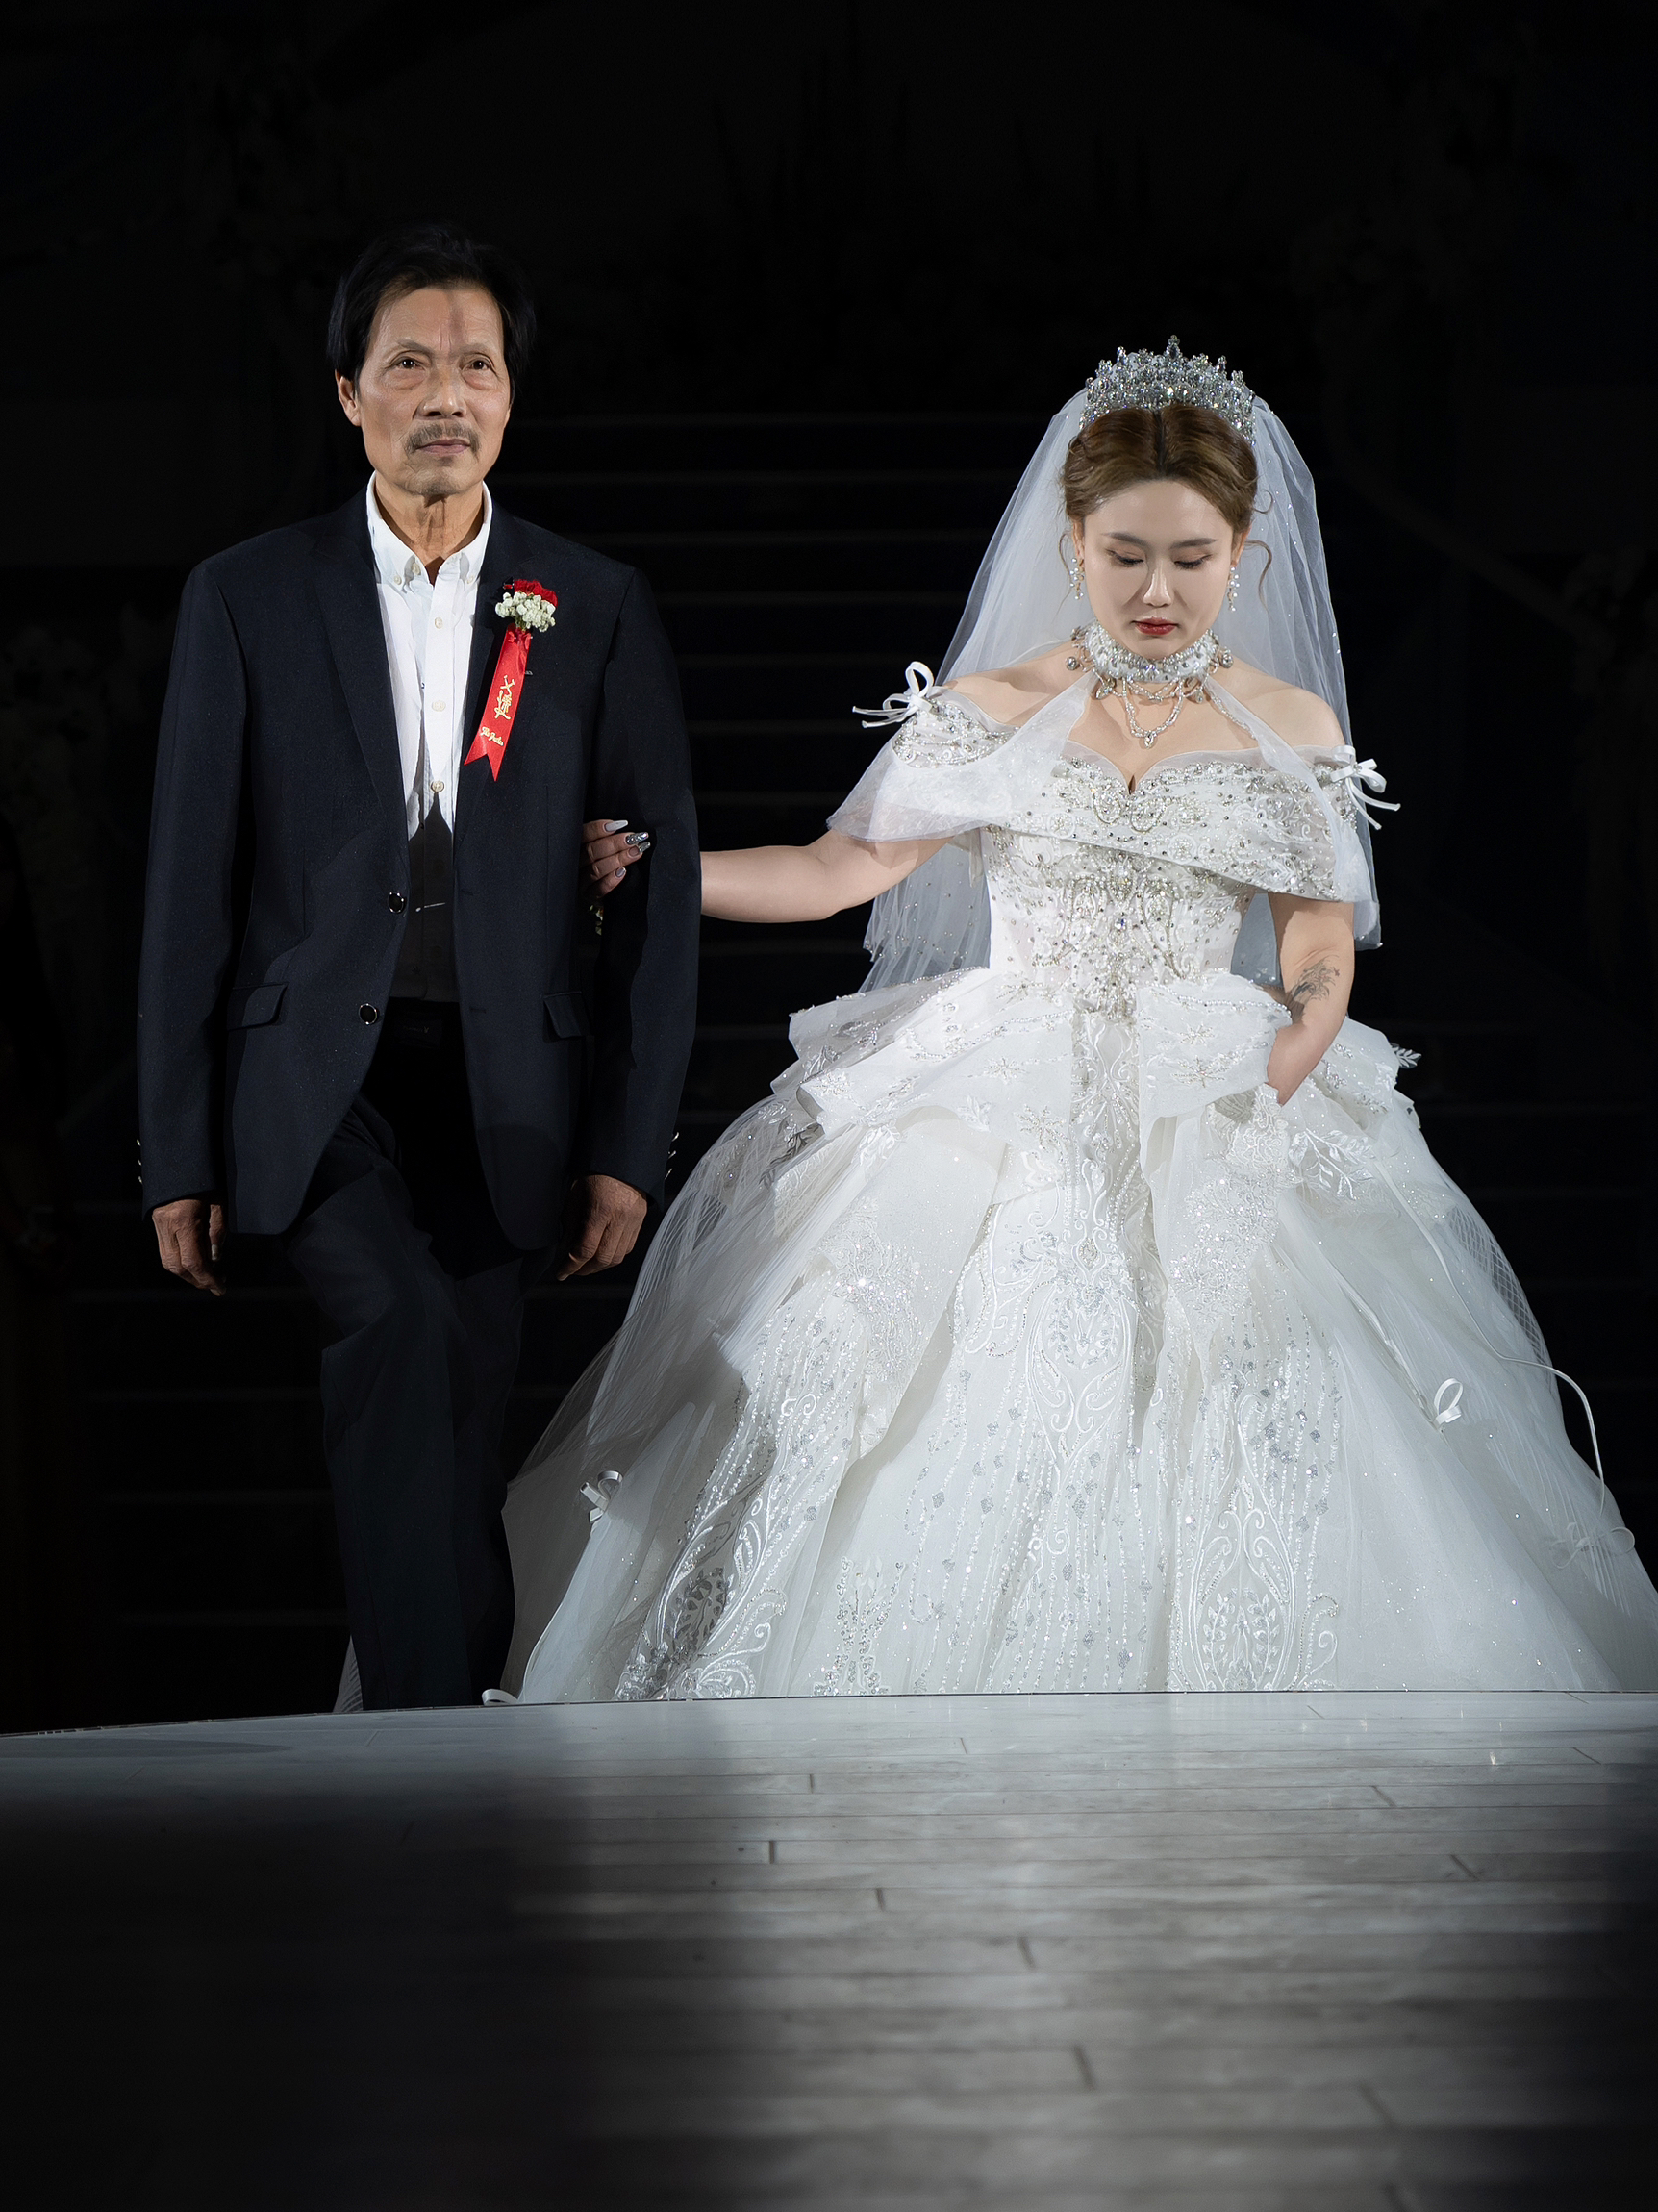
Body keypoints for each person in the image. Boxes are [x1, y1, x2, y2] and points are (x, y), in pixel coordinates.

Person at [501, 339, 1658, 1701]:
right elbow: (839, 869)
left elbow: (1316, 937)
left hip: (1210, 1076)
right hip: (1005, 1081)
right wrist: (666, 873)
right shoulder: (990, 712)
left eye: (1192, 558)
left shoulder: (1287, 724)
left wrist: (1299, 1036)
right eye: (1126, 556)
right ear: (1072, 547)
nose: (1158, 591)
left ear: (1245, 558)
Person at [137, 224, 699, 1710]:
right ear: (348, 393)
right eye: (409, 365)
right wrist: (174, 1149)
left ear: (510, 396)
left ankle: (447, 1720)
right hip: (317, 1081)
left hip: (510, 1084)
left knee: (460, 1390)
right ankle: (427, 1727)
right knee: (390, 1322)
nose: (446, 394)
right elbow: (189, 885)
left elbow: (659, 898)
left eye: (476, 367)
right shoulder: (248, 596)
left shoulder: (588, 603)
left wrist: (628, 1145)